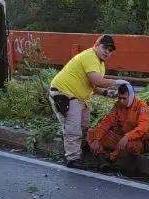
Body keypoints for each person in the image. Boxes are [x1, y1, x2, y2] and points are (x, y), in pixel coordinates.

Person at [49, 35, 126, 169]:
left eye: (110, 50)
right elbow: (97, 81)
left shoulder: (100, 64)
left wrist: (108, 93)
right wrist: (116, 82)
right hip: (64, 93)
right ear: (96, 45)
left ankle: (77, 152)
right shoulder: (90, 57)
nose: (107, 51)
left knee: (84, 126)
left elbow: (94, 86)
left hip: (79, 97)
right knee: (73, 128)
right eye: (104, 47)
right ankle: (72, 159)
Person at [87, 82, 149, 170]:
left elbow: (143, 127)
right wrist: (96, 139)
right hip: (119, 138)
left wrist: (127, 137)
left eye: (124, 98)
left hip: (136, 140)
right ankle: (101, 160)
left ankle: (110, 158)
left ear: (131, 96)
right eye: (119, 98)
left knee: (130, 146)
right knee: (91, 133)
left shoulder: (142, 106)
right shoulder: (117, 105)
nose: (121, 101)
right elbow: (106, 122)